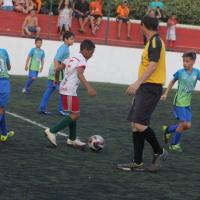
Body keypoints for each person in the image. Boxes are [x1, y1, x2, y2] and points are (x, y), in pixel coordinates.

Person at [117, 15, 168, 172]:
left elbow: (153, 65)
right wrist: (139, 85)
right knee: (134, 124)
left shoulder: (155, 41)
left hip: (151, 88)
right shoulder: (151, 42)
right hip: (145, 87)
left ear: (143, 25)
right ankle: (137, 161)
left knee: (140, 123)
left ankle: (159, 151)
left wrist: (137, 83)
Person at [44, 39, 96, 148]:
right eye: (91, 52)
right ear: (85, 50)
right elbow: (80, 74)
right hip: (69, 90)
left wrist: (57, 79)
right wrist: (89, 88)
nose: (92, 55)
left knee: (74, 113)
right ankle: (52, 131)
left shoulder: (71, 58)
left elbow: (58, 68)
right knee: (75, 114)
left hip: (67, 88)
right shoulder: (82, 61)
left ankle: (72, 139)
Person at [161, 52, 200, 152]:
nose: (184, 63)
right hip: (179, 103)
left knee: (188, 125)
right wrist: (165, 93)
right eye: (183, 61)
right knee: (183, 124)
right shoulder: (180, 72)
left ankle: (168, 130)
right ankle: (174, 144)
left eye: (187, 61)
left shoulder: (197, 73)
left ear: (193, 62)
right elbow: (172, 81)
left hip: (187, 104)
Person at [38, 31, 75, 115]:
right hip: (57, 70)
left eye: (73, 39)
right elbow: (56, 59)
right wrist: (56, 72)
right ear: (65, 39)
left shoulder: (65, 47)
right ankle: (61, 110)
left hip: (55, 69)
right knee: (63, 90)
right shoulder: (64, 48)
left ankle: (42, 107)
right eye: (71, 39)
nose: (73, 41)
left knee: (50, 89)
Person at [0, 48, 14, 142]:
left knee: (2, 110)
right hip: (3, 83)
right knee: (1, 110)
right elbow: (9, 67)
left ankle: (4, 133)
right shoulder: (4, 51)